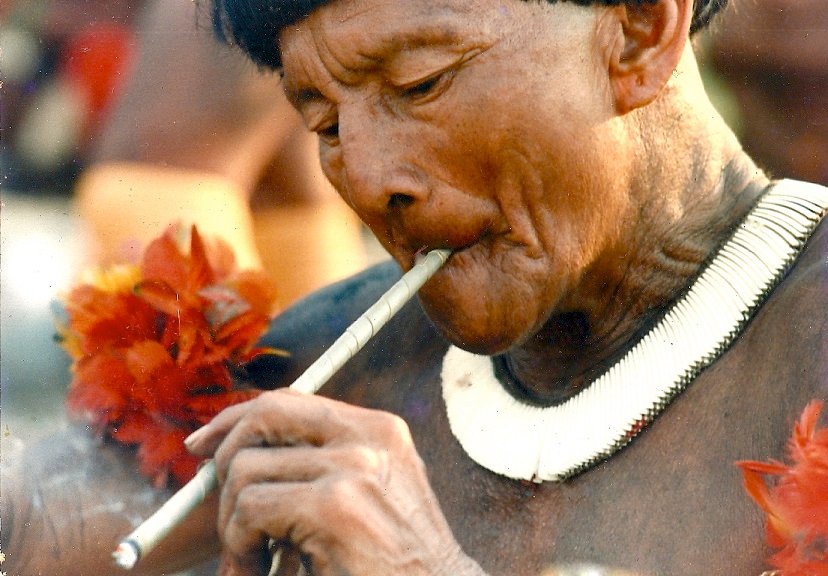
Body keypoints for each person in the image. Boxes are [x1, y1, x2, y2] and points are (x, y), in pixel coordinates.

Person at [2, 0, 826, 575]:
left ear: (642, 30)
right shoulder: (341, 365)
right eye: (323, 121)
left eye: (420, 83)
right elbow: (47, 520)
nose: (365, 178)